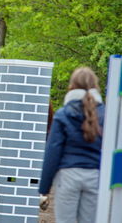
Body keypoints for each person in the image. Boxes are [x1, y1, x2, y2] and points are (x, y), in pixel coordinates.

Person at [39, 67, 105, 223]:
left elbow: (53, 151)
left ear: (72, 85)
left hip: (67, 177)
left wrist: (44, 188)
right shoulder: (106, 113)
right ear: (95, 86)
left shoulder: (63, 113)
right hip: (95, 176)